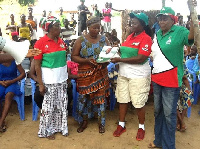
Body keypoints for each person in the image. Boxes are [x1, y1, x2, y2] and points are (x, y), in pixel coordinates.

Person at [149, 6, 194, 149]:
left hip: (171, 80)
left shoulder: (179, 31)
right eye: (160, 18)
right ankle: (158, 141)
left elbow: (191, 39)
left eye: (165, 18)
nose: (161, 21)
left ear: (173, 19)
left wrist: (193, 21)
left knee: (169, 115)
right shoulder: (157, 34)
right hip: (157, 78)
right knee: (158, 111)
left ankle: (169, 146)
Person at [110, 12, 152, 141]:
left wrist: (120, 60)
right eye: (130, 22)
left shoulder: (146, 38)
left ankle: (141, 127)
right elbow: (124, 52)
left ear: (142, 24)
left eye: (134, 22)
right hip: (123, 74)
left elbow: (141, 58)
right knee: (122, 99)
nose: (131, 24)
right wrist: (114, 52)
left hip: (138, 76)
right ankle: (121, 124)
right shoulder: (129, 37)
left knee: (138, 102)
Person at [72, 16, 110, 133]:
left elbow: (109, 55)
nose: (97, 30)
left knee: (101, 98)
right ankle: (84, 121)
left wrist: (106, 59)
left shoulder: (104, 40)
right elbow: (74, 56)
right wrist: (87, 60)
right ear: (88, 28)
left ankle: (101, 122)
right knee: (84, 97)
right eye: (94, 28)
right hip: (85, 75)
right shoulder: (81, 40)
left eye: (99, 28)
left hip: (100, 73)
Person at [34, 16, 69, 139]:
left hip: (62, 79)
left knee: (61, 105)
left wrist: (67, 76)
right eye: (57, 26)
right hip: (49, 81)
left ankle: (60, 127)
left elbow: (65, 58)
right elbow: (37, 66)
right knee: (49, 107)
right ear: (49, 28)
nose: (59, 28)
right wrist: (41, 84)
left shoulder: (61, 41)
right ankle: (47, 130)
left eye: (59, 26)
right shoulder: (40, 43)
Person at [0, 51, 25, 133]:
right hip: (1, 83)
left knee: (9, 95)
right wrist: (0, 82)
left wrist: (12, 81)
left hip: (13, 83)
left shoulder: (14, 60)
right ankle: (2, 121)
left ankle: (1, 121)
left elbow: (23, 74)